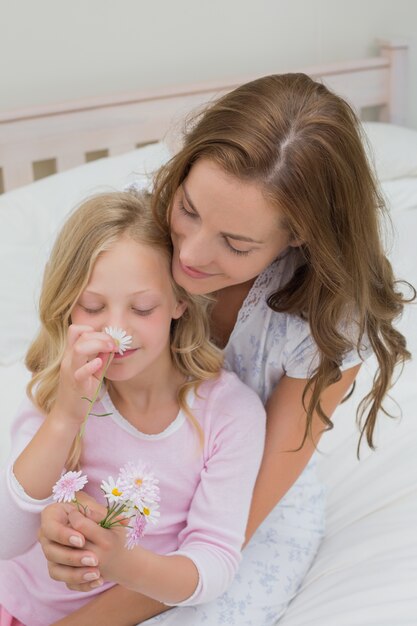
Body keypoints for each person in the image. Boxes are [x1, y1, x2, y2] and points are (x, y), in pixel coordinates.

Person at [38, 73, 413, 626]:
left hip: (238, 509)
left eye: (236, 244)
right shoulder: (143, 223)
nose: (187, 253)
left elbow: (227, 539)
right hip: (126, 474)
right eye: (188, 210)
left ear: (299, 236)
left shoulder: (330, 323)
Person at [0, 191, 268, 626]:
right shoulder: (56, 392)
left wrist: (122, 562)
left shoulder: (229, 413)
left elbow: (215, 562)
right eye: (92, 307)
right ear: (68, 305)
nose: (116, 331)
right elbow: (5, 541)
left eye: (142, 308)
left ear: (179, 301)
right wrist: (66, 416)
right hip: (18, 604)